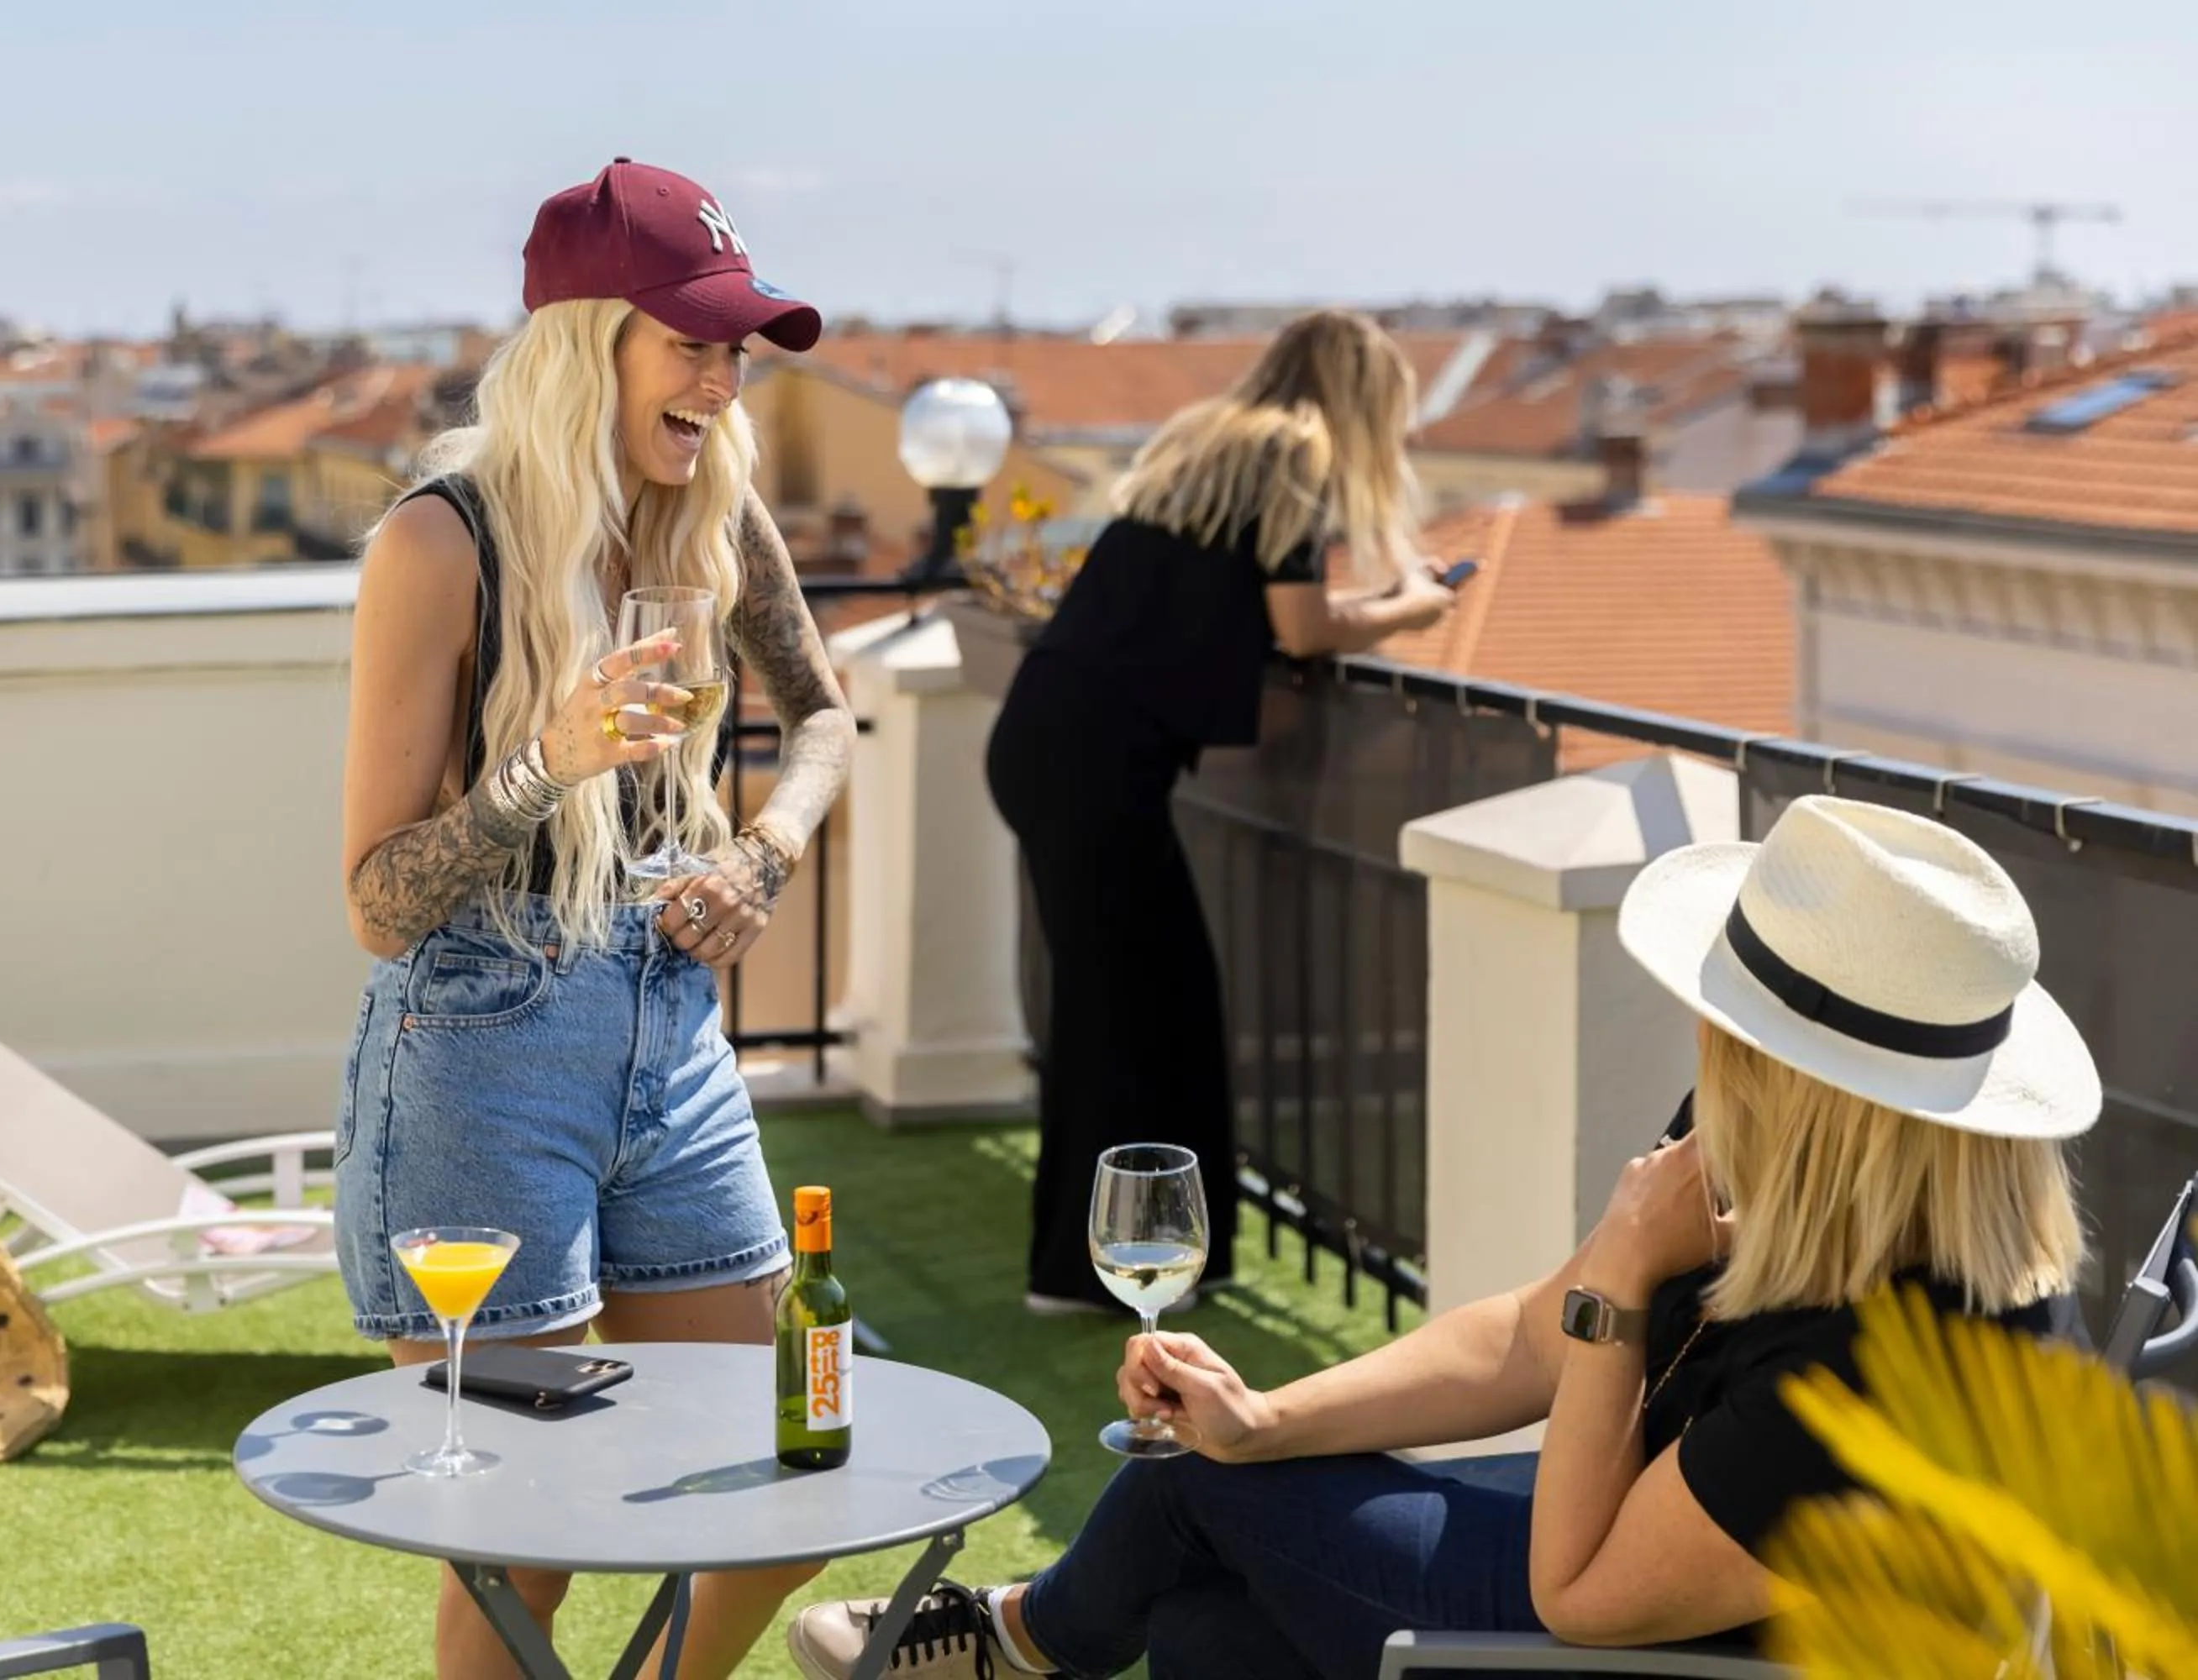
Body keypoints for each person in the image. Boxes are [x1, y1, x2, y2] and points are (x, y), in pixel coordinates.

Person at [786, 794, 2101, 1677]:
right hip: (1644, 1538)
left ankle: (1016, 1644)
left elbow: (1581, 1596)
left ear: (1809, 1084)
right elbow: (1529, 1331)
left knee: (1182, 1490)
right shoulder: (1810, 1168)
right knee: (1206, 1621)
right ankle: (1027, 1640)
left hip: (1642, 1629)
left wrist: (1626, 1285)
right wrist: (1268, 1413)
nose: (1709, 1038)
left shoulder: (1891, 1362)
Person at [335, 158, 854, 1680]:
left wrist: (764, 854)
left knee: (788, 1471)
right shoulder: (439, 545)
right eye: (690, 339)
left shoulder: (719, 519)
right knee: (526, 1543)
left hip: (671, 1036)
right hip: (479, 1053)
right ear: (585, 343)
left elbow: (825, 719)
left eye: (735, 344)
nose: (724, 372)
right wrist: (539, 768)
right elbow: (375, 902)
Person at [983, 309, 1459, 1314]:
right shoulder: (1300, 451)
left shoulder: (1210, 441)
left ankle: (1115, 1261)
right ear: (1360, 397)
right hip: (1096, 760)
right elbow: (1302, 624)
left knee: (1128, 1008)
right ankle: (1097, 1275)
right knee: (1144, 1013)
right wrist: (1411, 607)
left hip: (1054, 736)